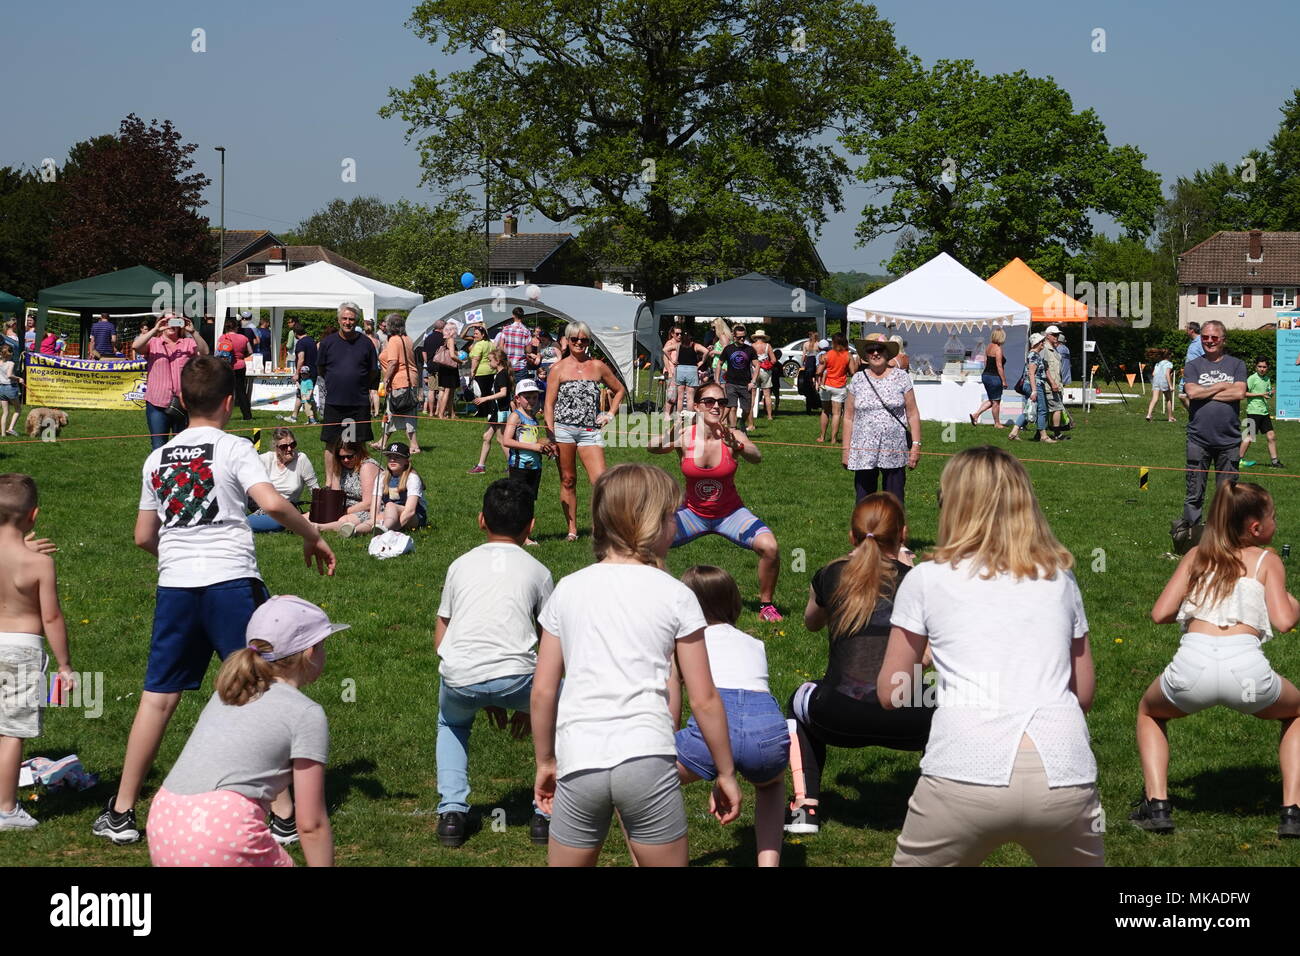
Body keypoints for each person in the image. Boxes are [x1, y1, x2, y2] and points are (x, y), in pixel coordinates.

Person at [92, 357, 335, 846]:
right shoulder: (235, 447)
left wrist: (182, 555)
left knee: (158, 698)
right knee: (261, 688)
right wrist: (311, 534)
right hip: (231, 582)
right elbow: (269, 502)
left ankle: (121, 810)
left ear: (180, 401)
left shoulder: (156, 458)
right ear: (230, 403)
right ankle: (284, 815)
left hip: (177, 585)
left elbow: (143, 536)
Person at [880, 445, 1102, 866]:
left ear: (953, 505)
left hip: (963, 767)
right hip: (1065, 770)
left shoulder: (926, 579)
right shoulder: (1059, 578)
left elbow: (892, 692)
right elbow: (1084, 693)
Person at [531, 463, 741, 866]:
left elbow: (542, 690)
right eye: (670, 516)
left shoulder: (568, 589)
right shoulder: (676, 595)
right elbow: (705, 698)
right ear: (650, 523)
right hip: (648, 758)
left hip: (579, 758)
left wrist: (545, 761)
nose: (675, 525)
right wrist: (726, 772)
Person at [1133, 481, 1300, 837]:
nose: (1275, 522)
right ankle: (1291, 811)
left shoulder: (1196, 556)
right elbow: (1285, 621)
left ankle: (1158, 805)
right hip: (1248, 672)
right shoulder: (1267, 561)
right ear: (1256, 527)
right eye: (1273, 516)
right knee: (1297, 712)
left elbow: (1161, 613)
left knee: (1149, 712)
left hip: (1191, 667)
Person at [146, 595, 342, 866]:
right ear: (310, 652)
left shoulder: (228, 693)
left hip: (163, 821)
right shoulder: (306, 713)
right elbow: (311, 825)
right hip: (222, 831)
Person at [785, 492, 932, 836]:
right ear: (904, 534)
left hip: (838, 714)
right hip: (909, 718)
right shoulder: (919, 582)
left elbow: (811, 622)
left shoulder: (831, 574)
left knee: (797, 698)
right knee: (950, 706)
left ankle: (804, 807)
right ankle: (936, 808)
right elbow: (926, 658)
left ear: (852, 536)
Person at [435, 479, 555, 847]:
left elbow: (442, 633)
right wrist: (534, 703)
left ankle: (451, 813)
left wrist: (478, 687)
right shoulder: (539, 571)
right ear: (531, 526)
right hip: (519, 678)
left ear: (480, 520)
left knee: (451, 723)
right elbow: (552, 644)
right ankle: (545, 813)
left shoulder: (459, 565)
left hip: (458, 676)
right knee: (566, 712)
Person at [673, 565, 788, 866]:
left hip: (709, 731)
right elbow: (743, 719)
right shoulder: (755, 644)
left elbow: (674, 695)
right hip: (767, 729)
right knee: (772, 785)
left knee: (648, 782)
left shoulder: (685, 644)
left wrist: (666, 742)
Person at [649, 381, 783, 621]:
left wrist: (739, 446)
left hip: (730, 514)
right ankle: (658, 602)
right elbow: (652, 448)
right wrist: (668, 434)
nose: (716, 407)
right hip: (692, 513)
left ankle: (766, 606)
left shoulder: (734, 435)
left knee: (770, 547)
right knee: (647, 546)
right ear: (697, 406)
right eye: (709, 402)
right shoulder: (684, 437)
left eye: (721, 402)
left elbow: (757, 457)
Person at [0, 474, 73, 829]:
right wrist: (65, 665)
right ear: (34, 515)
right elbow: (52, 616)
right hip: (21, 650)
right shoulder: (38, 563)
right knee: (11, 732)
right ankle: (7, 809)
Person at [544, 321, 625, 541]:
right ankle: (572, 529)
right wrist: (550, 432)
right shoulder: (558, 368)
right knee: (568, 480)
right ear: (567, 341)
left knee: (601, 482)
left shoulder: (598, 366)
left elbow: (619, 390)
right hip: (563, 431)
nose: (579, 343)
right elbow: (549, 404)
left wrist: (610, 414)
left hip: (590, 431)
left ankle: (601, 527)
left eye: (584, 339)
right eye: (575, 339)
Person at [1182, 320, 1247, 529]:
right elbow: (1191, 393)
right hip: (1198, 439)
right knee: (1194, 494)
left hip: (1229, 441)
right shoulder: (1193, 365)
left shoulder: (1237, 364)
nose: (1209, 341)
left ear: (1223, 340)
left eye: (1214, 337)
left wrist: (1205, 393)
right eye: (1205, 337)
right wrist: (1220, 386)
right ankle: (1190, 540)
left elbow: (1239, 392)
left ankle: (1223, 540)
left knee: (1227, 496)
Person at [844, 334, 921, 503]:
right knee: (864, 502)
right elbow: (848, 417)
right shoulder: (858, 379)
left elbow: (913, 413)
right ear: (866, 355)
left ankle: (894, 529)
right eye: (871, 350)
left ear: (887, 353)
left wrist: (916, 445)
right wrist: (846, 450)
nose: (876, 353)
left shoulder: (901, 377)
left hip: (894, 448)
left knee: (894, 502)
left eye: (879, 349)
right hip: (863, 449)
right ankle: (866, 530)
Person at [316, 302, 378, 488]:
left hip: (358, 402)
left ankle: (360, 483)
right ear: (338, 319)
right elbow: (321, 369)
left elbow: (373, 371)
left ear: (356, 320)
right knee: (331, 442)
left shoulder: (366, 343)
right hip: (334, 402)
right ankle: (331, 482)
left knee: (358, 443)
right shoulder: (328, 343)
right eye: (344, 318)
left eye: (351, 319)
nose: (348, 322)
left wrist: (359, 384)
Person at [134, 313, 209, 450]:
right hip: (157, 402)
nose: (171, 324)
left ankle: (180, 471)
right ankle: (159, 471)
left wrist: (193, 332)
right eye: (167, 320)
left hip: (183, 402)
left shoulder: (188, 343)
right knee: (158, 445)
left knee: (182, 446)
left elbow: (205, 352)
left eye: (175, 321)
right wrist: (155, 330)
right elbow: (136, 346)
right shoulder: (153, 343)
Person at [502, 379, 554, 544]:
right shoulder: (515, 417)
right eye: (527, 397)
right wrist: (533, 447)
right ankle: (517, 535)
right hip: (519, 467)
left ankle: (523, 534)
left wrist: (544, 448)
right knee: (518, 501)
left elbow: (533, 441)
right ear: (518, 399)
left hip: (535, 467)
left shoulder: (533, 419)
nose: (532, 401)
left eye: (534, 397)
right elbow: (507, 441)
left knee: (529, 501)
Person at [248, 428, 319, 533]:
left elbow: (315, 489)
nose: (289, 449)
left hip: (287, 510)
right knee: (239, 523)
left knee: (241, 525)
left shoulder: (301, 459)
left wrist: (317, 511)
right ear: (276, 448)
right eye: (284, 446)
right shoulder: (265, 459)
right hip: (264, 509)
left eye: (292, 444)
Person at [316, 440, 381, 538]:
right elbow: (336, 497)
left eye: (349, 456)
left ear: (359, 452)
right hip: (345, 507)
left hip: (371, 509)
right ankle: (291, 524)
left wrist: (343, 512)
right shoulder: (339, 466)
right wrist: (331, 510)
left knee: (344, 520)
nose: (345, 460)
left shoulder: (366, 466)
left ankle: (318, 528)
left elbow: (368, 503)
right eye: (341, 457)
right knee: (314, 514)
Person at [379, 313, 422, 454]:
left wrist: (386, 379)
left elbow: (392, 362)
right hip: (411, 379)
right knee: (394, 412)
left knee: (402, 412)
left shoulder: (394, 341)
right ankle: (382, 442)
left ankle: (414, 445)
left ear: (391, 326)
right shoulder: (408, 339)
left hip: (400, 380)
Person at [468, 348, 513, 475]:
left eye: (490, 360)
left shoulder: (502, 374)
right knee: (487, 437)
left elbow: (503, 393)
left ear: (498, 361)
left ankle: (513, 465)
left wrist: (484, 398)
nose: (488, 363)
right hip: (496, 411)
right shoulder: (500, 373)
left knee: (501, 439)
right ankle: (481, 466)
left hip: (499, 411)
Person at [1240, 356, 1282, 468]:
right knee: (1249, 437)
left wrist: (1270, 393)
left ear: (1267, 368)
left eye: (1264, 367)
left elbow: (1266, 394)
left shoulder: (1267, 379)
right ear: (1256, 367)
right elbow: (1243, 393)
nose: (1262, 369)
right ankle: (1238, 460)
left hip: (1264, 412)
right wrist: (1260, 394)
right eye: (1259, 366)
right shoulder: (1252, 378)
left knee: (1271, 436)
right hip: (1253, 412)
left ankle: (1275, 462)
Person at [377, 441, 427, 532]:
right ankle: (354, 531)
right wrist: (374, 520)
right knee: (375, 519)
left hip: (413, 517)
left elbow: (410, 511)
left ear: (406, 461)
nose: (392, 460)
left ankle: (384, 529)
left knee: (390, 505)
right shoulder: (382, 477)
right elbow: (375, 506)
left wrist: (393, 529)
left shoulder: (412, 478)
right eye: (390, 457)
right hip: (390, 515)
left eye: (397, 457)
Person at [817, 333, 855, 443]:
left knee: (825, 411)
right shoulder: (848, 355)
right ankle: (833, 439)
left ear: (834, 342)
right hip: (839, 386)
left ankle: (822, 437)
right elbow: (853, 372)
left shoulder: (827, 354)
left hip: (826, 385)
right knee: (837, 413)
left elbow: (819, 371)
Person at [720, 324, 759, 430]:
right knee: (732, 407)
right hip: (731, 383)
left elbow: (757, 365)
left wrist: (753, 381)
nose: (742, 339)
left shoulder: (750, 349)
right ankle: (733, 428)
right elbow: (719, 363)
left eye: (744, 337)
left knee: (747, 409)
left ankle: (742, 422)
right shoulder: (728, 349)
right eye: (739, 337)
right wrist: (716, 380)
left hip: (746, 384)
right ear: (734, 337)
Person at [281, 318, 319, 426]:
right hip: (314, 371)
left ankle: (312, 420)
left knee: (305, 397)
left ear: (295, 333)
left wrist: (297, 373)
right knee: (302, 395)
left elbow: (301, 359)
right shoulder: (311, 341)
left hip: (305, 374)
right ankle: (295, 416)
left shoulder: (301, 343)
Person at [216, 318, 254, 421]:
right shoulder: (243, 338)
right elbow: (250, 351)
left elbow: (218, 353)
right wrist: (241, 356)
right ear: (236, 327)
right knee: (241, 391)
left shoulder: (223, 338)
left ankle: (220, 415)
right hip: (240, 366)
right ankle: (247, 416)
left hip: (226, 367)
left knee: (224, 392)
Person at [970, 328, 1007, 427]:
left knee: (992, 400)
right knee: (996, 402)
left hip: (986, 375)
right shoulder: (998, 349)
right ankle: (997, 423)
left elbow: (986, 362)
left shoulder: (988, 347)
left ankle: (975, 415)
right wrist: (1004, 381)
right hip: (994, 377)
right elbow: (999, 366)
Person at [1041, 326, 1067, 440]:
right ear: (1047, 335)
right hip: (1050, 386)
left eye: (1057, 335)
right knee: (1057, 408)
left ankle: (1041, 432)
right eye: (1054, 335)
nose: (1057, 337)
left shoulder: (1054, 349)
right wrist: (1052, 383)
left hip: (1056, 384)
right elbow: (1044, 369)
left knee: (1049, 409)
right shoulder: (1045, 349)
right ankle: (1057, 434)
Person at [751, 328, 777, 424]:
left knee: (753, 394)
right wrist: (767, 364)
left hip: (754, 371)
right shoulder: (767, 346)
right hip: (765, 371)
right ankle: (769, 416)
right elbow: (774, 360)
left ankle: (750, 414)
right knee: (767, 394)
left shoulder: (752, 346)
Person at [498, 307, 533, 377]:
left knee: (507, 387)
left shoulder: (505, 329)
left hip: (507, 365)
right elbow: (529, 350)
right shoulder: (526, 331)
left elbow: (501, 347)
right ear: (523, 316)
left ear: (513, 315)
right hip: (521, 366)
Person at [1179, 321, 1204, 412]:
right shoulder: (1193, 342)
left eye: (1186, 328)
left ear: (1191, 330)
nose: (1185, 330)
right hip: (1188, 374)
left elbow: (1205, 357)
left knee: (1189, 397)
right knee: (1182, 396)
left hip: (1196, 375)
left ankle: (1197, 415)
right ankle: (1196, 415)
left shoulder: (1201, 342)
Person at [1146, 348, 1175, 423]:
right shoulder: (1169, 364)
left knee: (1154, 398)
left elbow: (1153, 374)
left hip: (1156, 381)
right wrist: (1171, 386)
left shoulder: (1158, 364)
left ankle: (1149, 414)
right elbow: (1167, 374)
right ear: (1168, 356)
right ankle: (1170, 417)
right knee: (1168, 399)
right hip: (1164, 381)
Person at [0, 345, 22, 437]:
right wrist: (18, 378)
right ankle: (10, 429)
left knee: (5, 412)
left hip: (1, 388)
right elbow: (9, 375)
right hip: (10, 387)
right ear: (11, 354)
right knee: (18, 409)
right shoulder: (11, 363)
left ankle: (3, 434)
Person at [799, 332, 822, 414]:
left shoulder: (805, 344)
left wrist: (802, 365)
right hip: (815, 362)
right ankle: (817, 389)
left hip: (808, 362)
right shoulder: (818, 344)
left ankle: (811, 390)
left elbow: (803, 355)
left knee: (808, 381)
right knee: (817, 378)